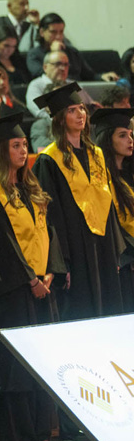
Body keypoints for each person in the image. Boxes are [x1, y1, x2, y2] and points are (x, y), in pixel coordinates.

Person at [0, 112, 62, 441]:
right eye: (15, 145)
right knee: (14, 367)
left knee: (39, 363)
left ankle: (40, 432)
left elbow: (48, 233)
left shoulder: (30, 188)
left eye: (24, 144)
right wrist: (29, 279)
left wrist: (51, 271)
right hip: (10, 292)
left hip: (40, 288)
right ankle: (16, 438)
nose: (23, 151)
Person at [31, 83, 124, 322]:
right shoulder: (49, 160)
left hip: (102, 245)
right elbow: (51, 215)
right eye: (72, 110)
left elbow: (108, 204)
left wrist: (115, 251)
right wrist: (63, 263)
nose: (80, 114)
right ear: (60, 118)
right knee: (82, 311)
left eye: (81, 108)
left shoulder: (97, 154)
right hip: (75, 246)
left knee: (109, 310)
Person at [90, 108, 134, 311]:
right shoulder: (101, 178)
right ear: (108, 139)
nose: (130, 140)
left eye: (131, 135)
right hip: (123, 262)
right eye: (123, 135)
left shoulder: (128, 174)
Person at [25, 13, 117, 83]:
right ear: (42, 32)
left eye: (61, 32)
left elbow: (88, 75)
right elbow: (45, 76)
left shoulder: (72, 51)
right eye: (53, 32)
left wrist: (102, 76)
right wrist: (56, 53)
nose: (58, 36)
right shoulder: (34, 54)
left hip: (78, 91)